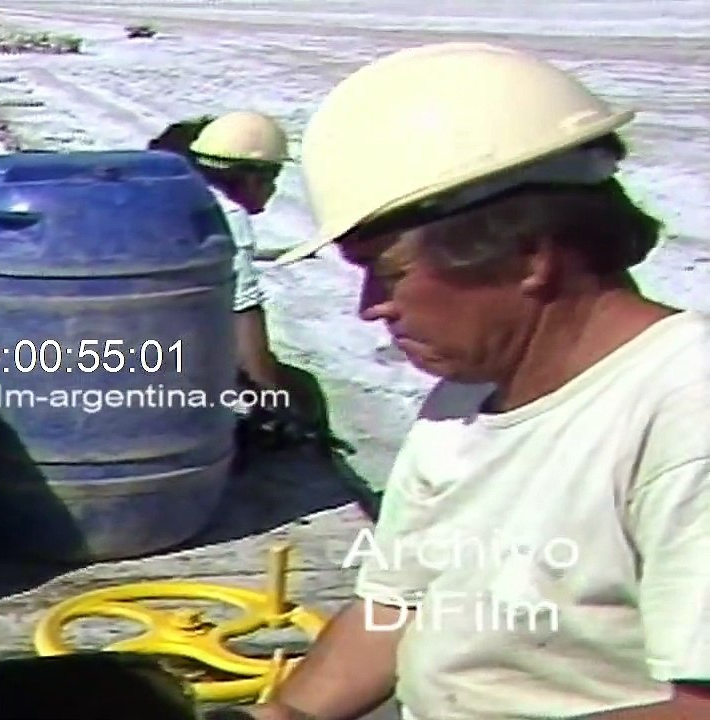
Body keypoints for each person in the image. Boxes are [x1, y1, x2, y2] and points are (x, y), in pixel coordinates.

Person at [211, 42, 710, 720]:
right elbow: (395, 608)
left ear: (528, 254)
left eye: (387, 273)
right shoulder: (467, 399)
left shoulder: (685, 411)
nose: (369, 309)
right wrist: (283, 716)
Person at [150, 112, 335, 454]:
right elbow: (244, 320)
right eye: (273, 177)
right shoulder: (227, 216)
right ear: (251, 178)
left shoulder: (171, 197)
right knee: (301, 391)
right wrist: (274, 400)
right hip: (174, 371)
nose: (275, 189)